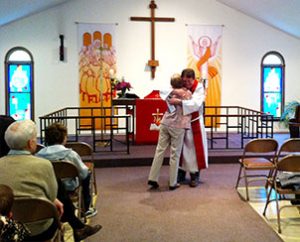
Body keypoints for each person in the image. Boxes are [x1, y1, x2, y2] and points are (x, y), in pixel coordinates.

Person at [0, 120, 101, 242]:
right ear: (30, 143)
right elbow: (52, 196)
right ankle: (79, 226)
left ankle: (78, 227)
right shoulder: (44, 165)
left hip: (5, 228)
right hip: (39, 229)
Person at [37, 122, 97, 218]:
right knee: (86, 174)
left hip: (47, 188)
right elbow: (83, 173)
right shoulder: (70, 154)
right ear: (64, 138)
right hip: (69, 186)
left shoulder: (38, 155)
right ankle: (86, 208)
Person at [148, 74, 192, 190]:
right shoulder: (186, 94)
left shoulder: (168, 92)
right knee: (175, 154)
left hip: (165, 123)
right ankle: (173, 182)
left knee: (159, 150)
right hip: (178, 125)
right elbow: (193, 105)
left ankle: (152, 177)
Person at [168, 68, 208, 187]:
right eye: (185, 81)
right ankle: (181, 173)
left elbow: (196, 104)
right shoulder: (181, 86)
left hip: (194, 122)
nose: (187, 83)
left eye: (189, 81)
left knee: (194, 151)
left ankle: (195, 175)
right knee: (181, 148)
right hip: (182, 122)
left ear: (193, 79)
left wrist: (179, 102)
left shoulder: (199, 87)